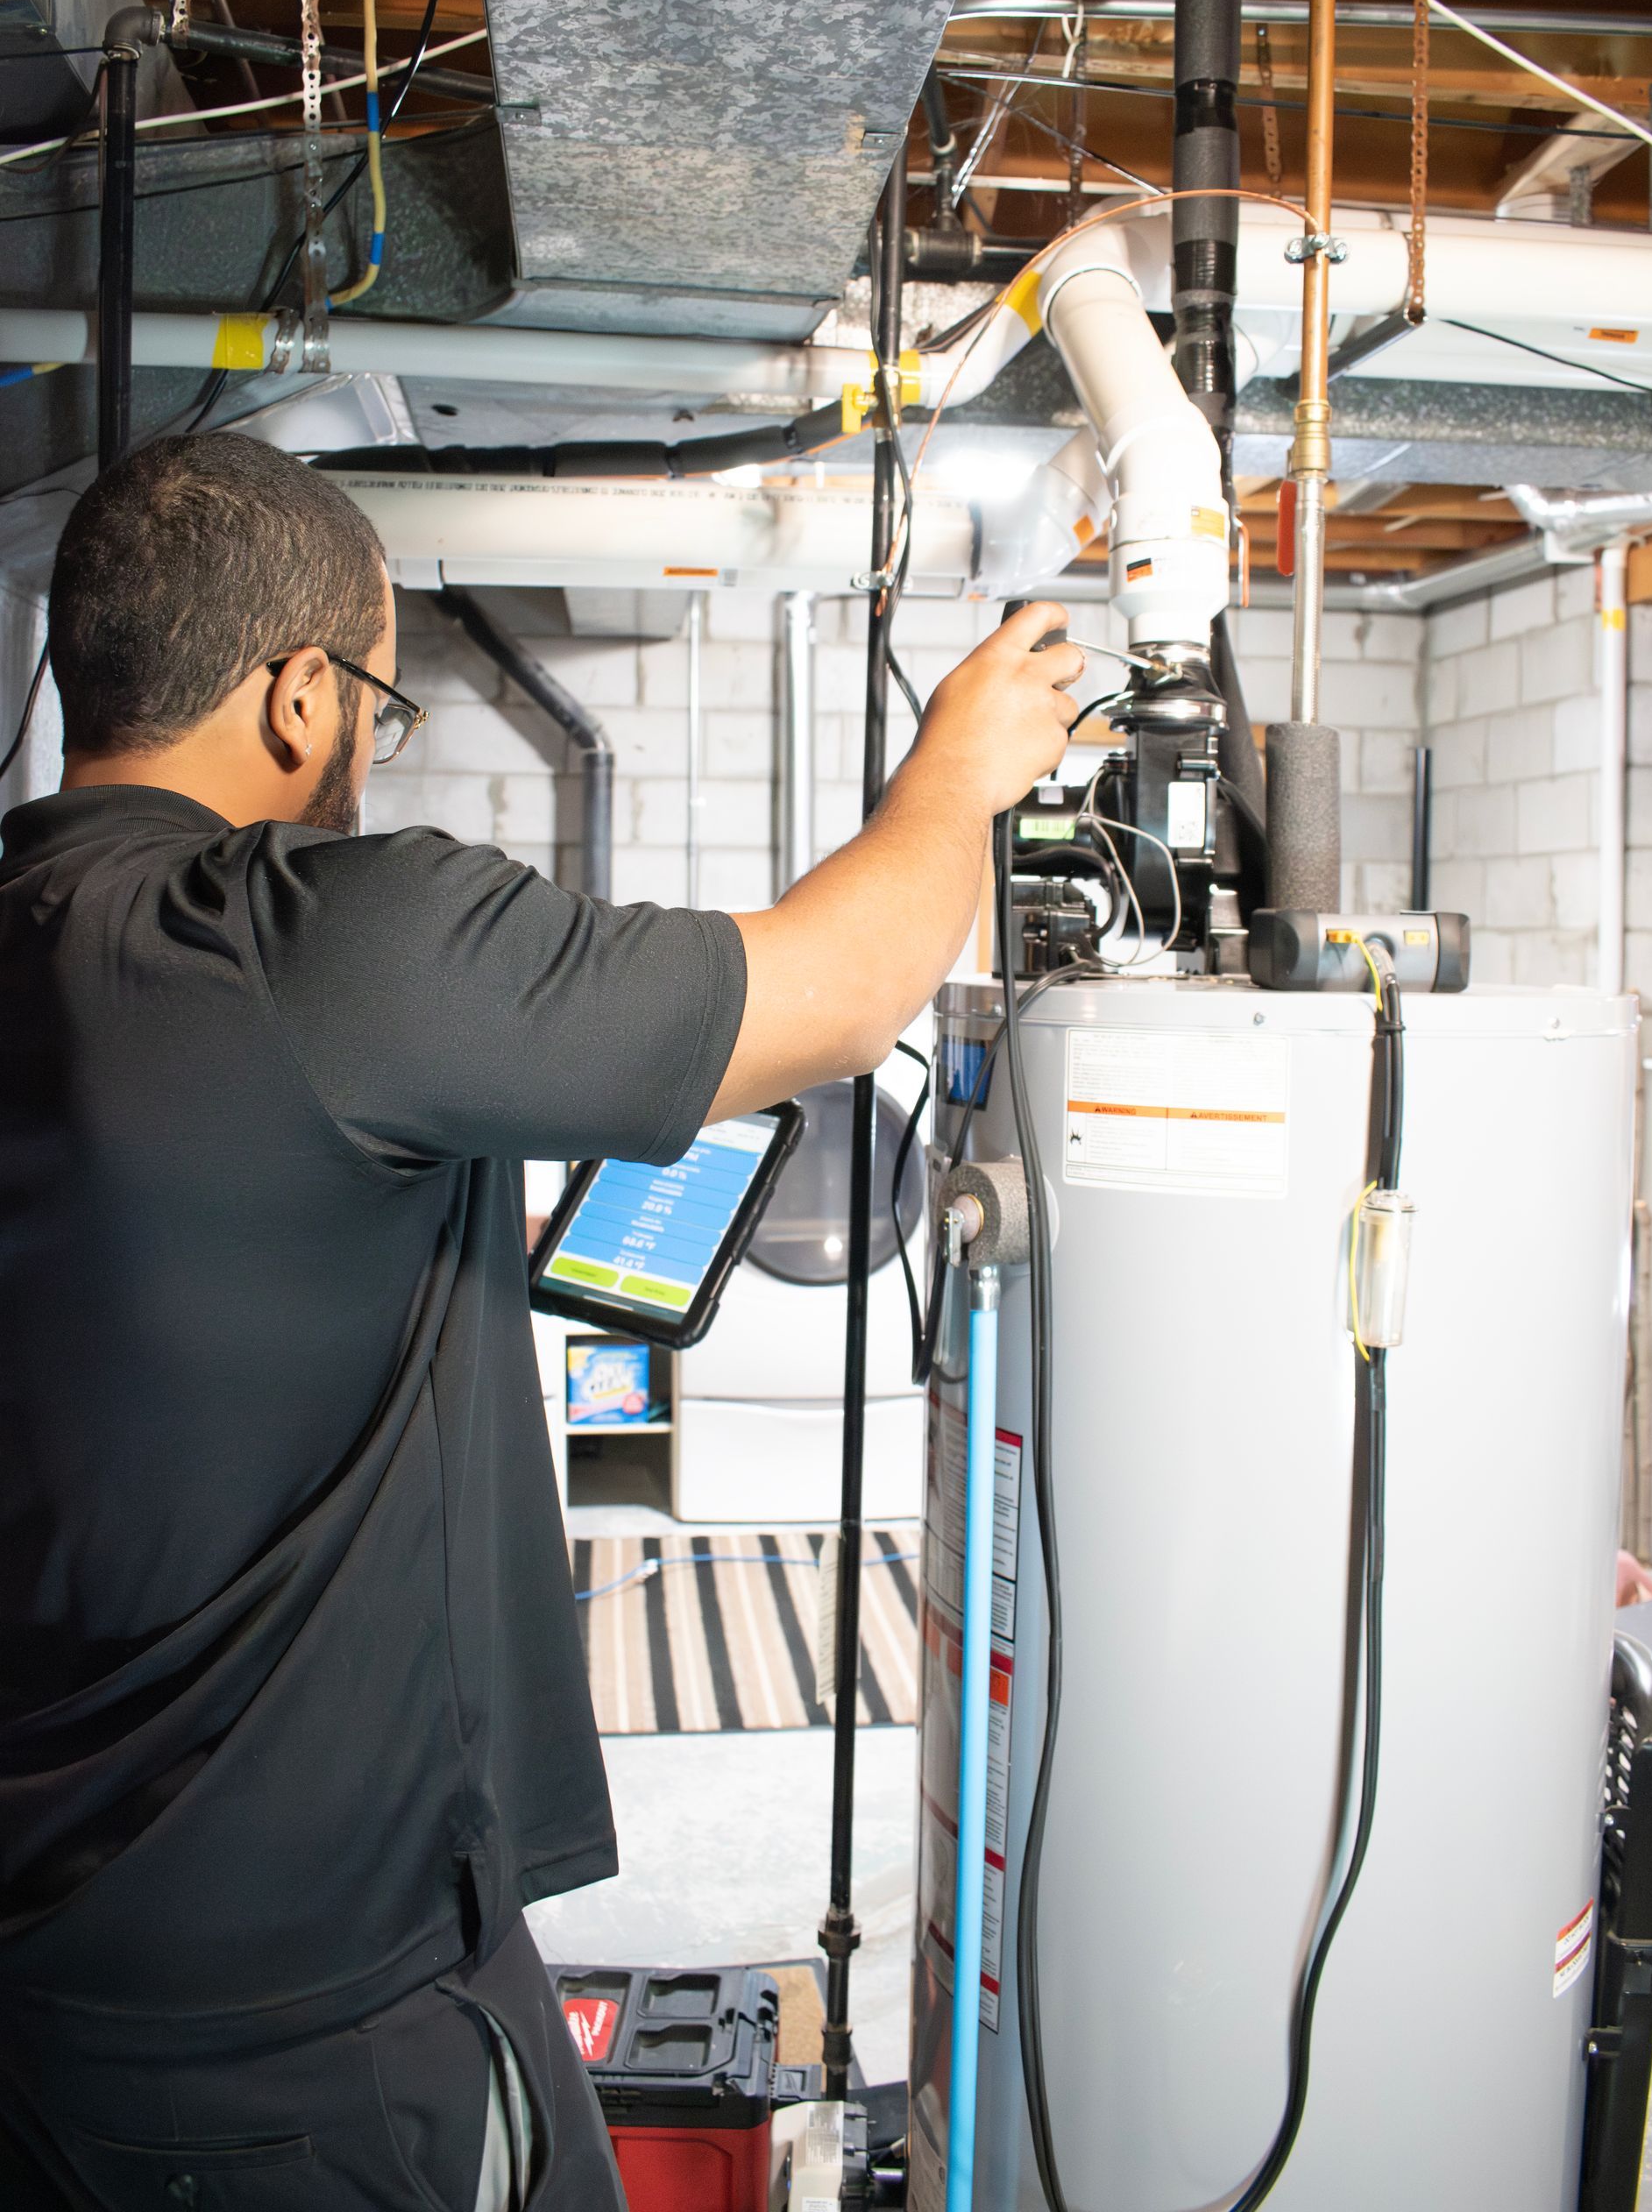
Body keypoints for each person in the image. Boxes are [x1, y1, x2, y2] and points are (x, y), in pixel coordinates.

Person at [0, 435, 1081, 2210]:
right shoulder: (320, 940)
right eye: (374, 701)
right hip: (319, 2035)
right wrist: (957, 770)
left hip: (46, 1993)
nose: (367, 746)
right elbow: (835, 989)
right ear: (294, 698)